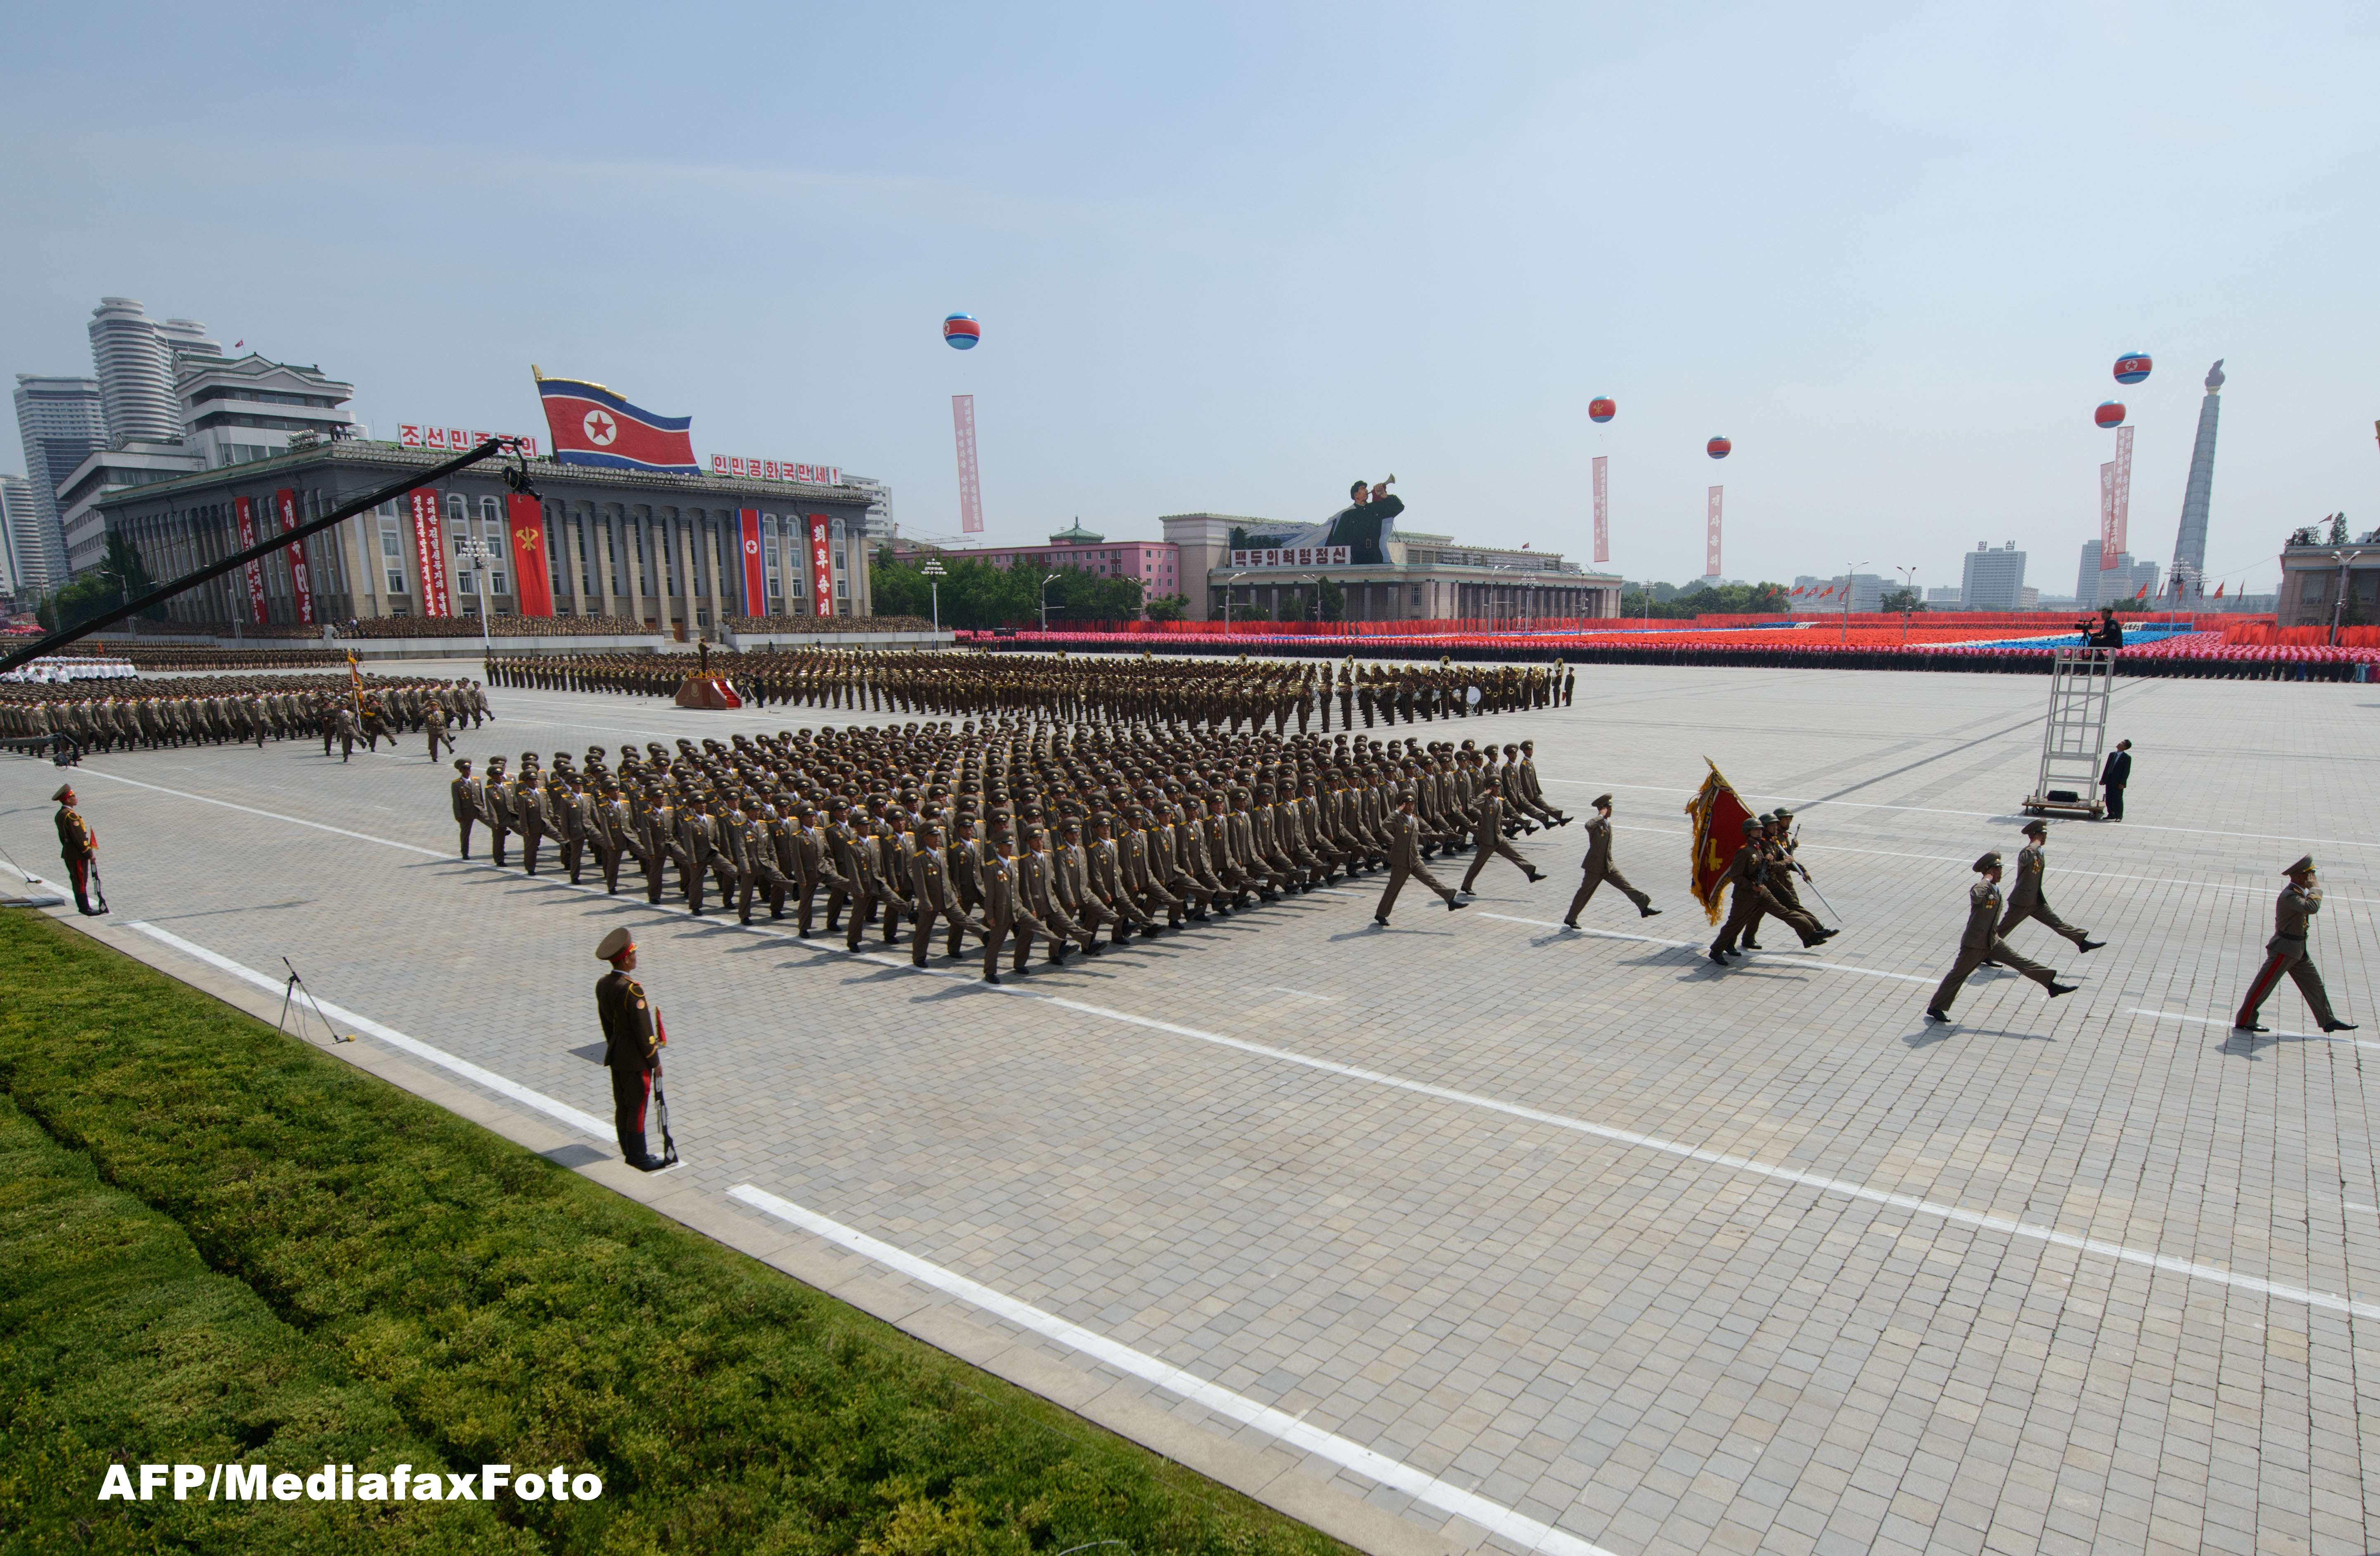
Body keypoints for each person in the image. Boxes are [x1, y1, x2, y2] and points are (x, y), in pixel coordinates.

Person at [1926, 852, 2078, 1022]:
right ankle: (1936, 1007)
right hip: (1975, 944)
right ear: (1989, 871)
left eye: (2000, 869)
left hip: (1992, 941)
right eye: (1997, 869)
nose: (2000, 872)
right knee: (1958, 975)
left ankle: (2051, 985)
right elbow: (1976, 895)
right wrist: (1986, 880)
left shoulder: (1994, 889)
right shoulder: (1982, 888)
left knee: (2020, 962)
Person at [2234, 856, 2355, 1033]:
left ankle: (2328, 1020)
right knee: (2263, 986)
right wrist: (2315, 888)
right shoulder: (2290, 896)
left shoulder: (2298, 892)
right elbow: (2311, 908)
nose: (2313, 878)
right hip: (2284, 949)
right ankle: (2245, 1020)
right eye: (2310, 875)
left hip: (2298, 950)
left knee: (2314, 985)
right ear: (2299, 876)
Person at [594, 927, 672, 1171]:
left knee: (623, 1105)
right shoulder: (632, 989)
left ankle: (628, 1149)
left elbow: (607, 1024)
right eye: (634, 953)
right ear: (626, 959)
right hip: (636, 1060)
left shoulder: (603, 984)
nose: (636, 957)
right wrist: (654, 1061)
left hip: (617, 1054)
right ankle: (638, 1157)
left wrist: (615, 1045)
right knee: (637, 1108)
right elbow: (644, 1032)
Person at [1993, 820, 2105, 954]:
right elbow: (2024, 860)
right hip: (2022, 901)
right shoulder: (2029, 851)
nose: (2045, 837)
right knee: (2004, 928)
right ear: (2035, 835)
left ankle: (2082, 942)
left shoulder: (2038, 851)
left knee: (2056, 923)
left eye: (2045, 834)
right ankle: (1985, 949)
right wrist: (2035, 843)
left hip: (2035, 900)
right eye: (2042, 834)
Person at [1562, 794, 1658, 928]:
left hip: (1608, 866)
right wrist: (1600, 816)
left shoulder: (1607, 823)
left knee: (1626, 886)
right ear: (1603, 809)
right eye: (1609, 808)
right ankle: (1570, 918)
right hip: (1595, 868)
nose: (1612, 810)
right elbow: (1588, 825)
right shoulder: (1596, 824)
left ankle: (1644, 907)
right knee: (1585, 893)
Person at [1375, 793, 1466, 925]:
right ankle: (1381, 914)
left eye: (1412, 804)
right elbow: (1385, 824)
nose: (1411, 806)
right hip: (1401, 861)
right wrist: (1397, 811)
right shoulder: (1398, 819)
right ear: (1403, 805)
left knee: (1431, 880)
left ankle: (1450, 900)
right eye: (1408, 804)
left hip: (1415, 859)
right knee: (1393, 889)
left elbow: (1416, 836)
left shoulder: (1415, 819)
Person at [53, 783, 102, 916]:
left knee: (77, 880)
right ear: (68, 800)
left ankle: (83, 906)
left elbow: (62, 836)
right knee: (80, 881)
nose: (76, 798)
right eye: (74, 796)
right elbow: (79, 839)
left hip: (69, 852)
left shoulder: (60, 814)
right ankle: (85, 908)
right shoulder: (71, 816)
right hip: (78, 855)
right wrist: (89, 854)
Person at [449, 758, 479, 859]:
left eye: (469, 769)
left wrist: (482, 807)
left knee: (492, 823)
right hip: (466, 812)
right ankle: (465, 853)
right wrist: (458, 815)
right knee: (465, 833)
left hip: (478, 809)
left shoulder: (476, 781)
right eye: (465, 769)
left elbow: (480, 796)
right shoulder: (457, 784)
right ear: (461, 771)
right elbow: (456, 801)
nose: (468, 771)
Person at [2100, 738, 2132, 821]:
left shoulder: (2127, 758)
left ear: (2125, 747)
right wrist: (2103, 779)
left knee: (2118, 799)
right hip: (2109, 780)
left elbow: (2126, 772)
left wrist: (2123, 783)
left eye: (2122, 743)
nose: (2119, 743)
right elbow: (2107, 767)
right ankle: (2111, 814)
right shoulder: (2112, 755)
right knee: (2109, 798)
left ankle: (2119, 816)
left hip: (2118, 782)